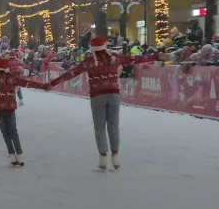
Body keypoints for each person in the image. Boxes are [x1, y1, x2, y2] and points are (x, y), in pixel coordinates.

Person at [44, 36, 159, 171]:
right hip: (113, 94)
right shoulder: (114, 58)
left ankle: (103, 158)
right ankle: (115, 156)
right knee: (114, 126)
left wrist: (52, 83)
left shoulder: (90, 61)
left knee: (99, 128)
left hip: (97, 96)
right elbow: (134, 60)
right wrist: (156, 56)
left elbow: (71, 73)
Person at [0, 55, 45, 166]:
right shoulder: (11, 77)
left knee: (5, 133)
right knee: (13, 133)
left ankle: (12, 156)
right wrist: (44, 86)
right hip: (10, 108)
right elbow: (28, 83)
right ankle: (20, 157)